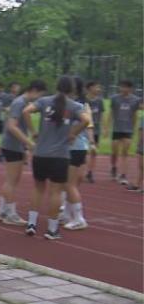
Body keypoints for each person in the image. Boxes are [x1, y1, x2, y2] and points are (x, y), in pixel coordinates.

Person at [21, 76, 90, 240]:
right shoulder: (74, 106)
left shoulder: (44, 101)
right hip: (60, 156)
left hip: (40, 153)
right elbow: (86, 120)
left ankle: (31, 223)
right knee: (56, 191)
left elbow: (26, 111)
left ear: (57, 87)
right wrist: (73, 133)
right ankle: (52, 230)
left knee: (38, 188)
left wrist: (33, 132)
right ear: (72, 89)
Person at [0, 79, 47, 225]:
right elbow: (12, 126)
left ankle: (2, 210)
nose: (40, 99)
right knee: (11, 180)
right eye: (40, 95)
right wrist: (28, 142)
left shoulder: (22, 103)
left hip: (14, 145)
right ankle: (10, 214)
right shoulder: (19, 103)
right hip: (12, 145)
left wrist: (29, 137)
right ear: (34, 90)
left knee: (12, 180)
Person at [62, 76, 94, 230]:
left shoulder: (76, 105)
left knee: (69, 184)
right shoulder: (80, 104)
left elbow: (87, 124)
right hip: (79, 147)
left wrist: (72, 133)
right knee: (71, 183)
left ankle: (79, 218)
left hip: (74, 147)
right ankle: (67, 214)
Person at [106, 79, 142, 185]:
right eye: (122, 87)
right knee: (115, 151)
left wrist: (134, 128)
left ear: (131, 89)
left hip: (128, 129)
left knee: (125, 152)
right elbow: (111, 113)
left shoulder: (135, 100)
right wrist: (107, 127)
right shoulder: (115, 99)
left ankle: (123, 175)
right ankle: (113, 167)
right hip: (117, 129)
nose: (124, 89)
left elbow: (135, 114)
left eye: (126, 87)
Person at [85, 81, 105, 183]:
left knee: (94, 152)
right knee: (82, 151)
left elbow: (101, 115)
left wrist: (103, 128)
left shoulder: (100, 101)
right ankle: (81, 171)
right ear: (90, 88)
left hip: (96, 130)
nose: (99, 89)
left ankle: (90, 172)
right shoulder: (84, 100)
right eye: (97, 87)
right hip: (84, 130)